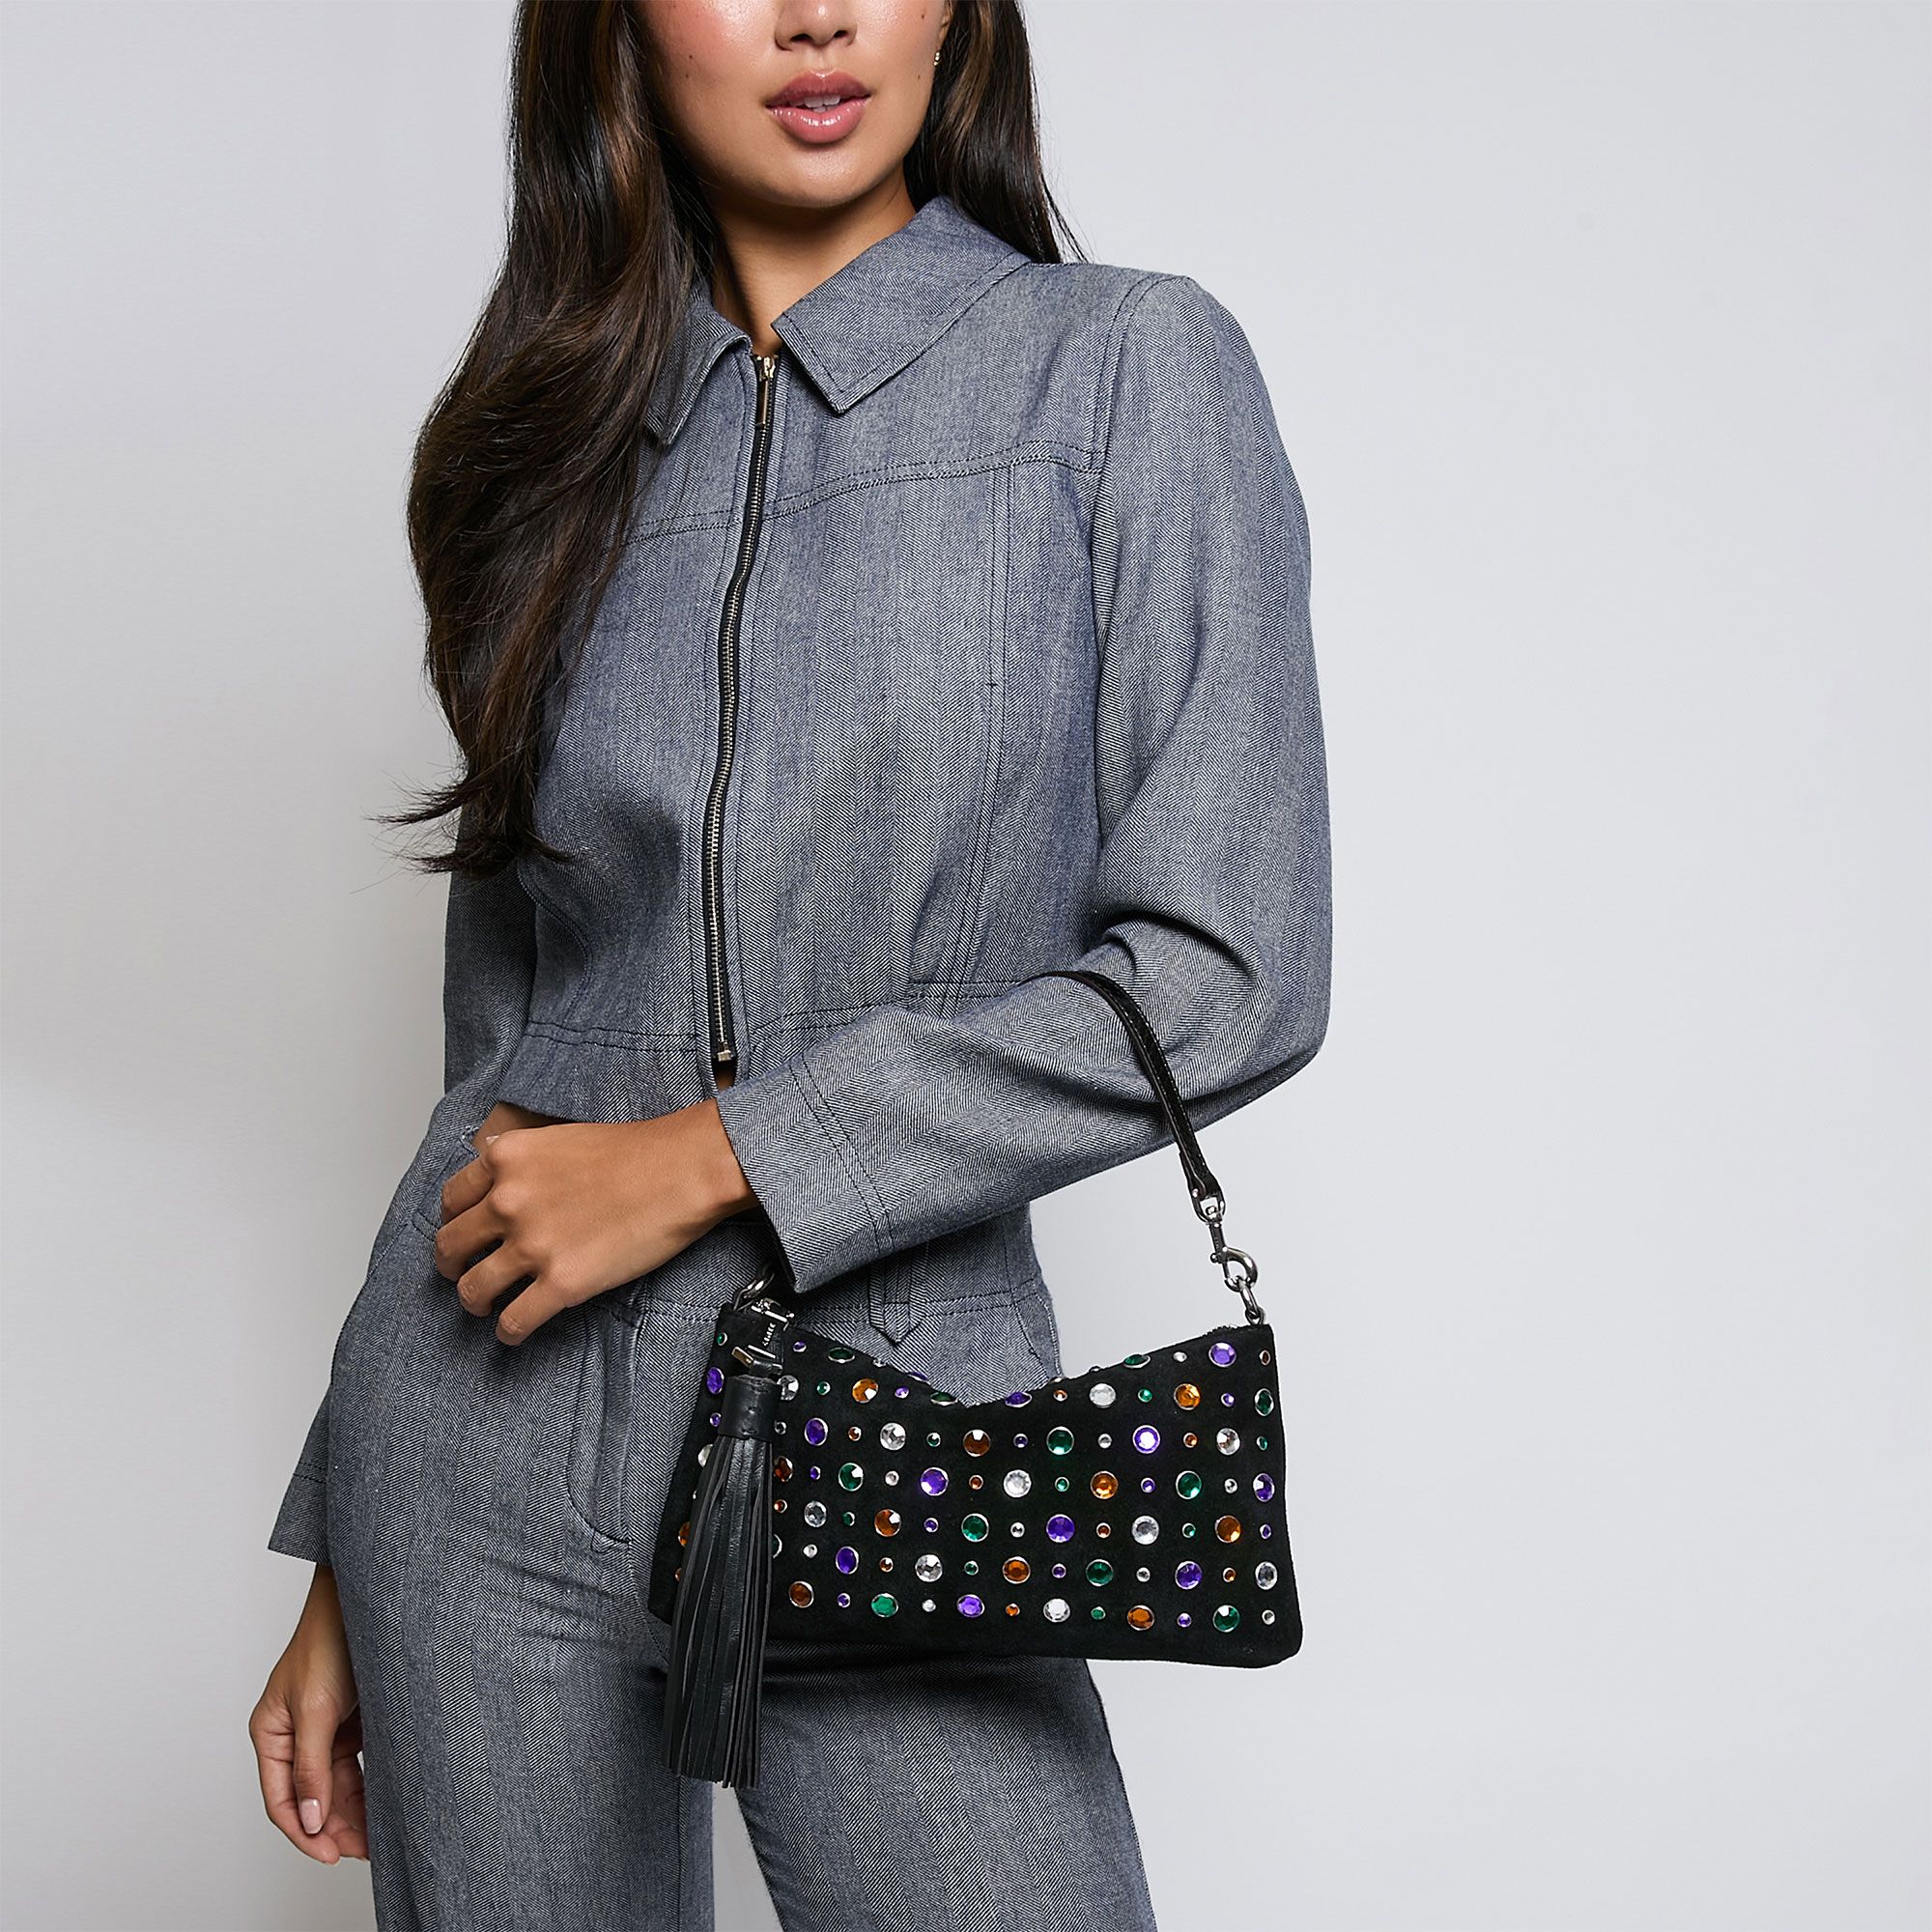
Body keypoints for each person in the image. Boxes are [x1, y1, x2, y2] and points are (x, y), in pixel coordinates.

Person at [249, 0, 1331, 1924]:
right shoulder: (542, 448)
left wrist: (714, 1157)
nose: (816, 15)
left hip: (904, 1426)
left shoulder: (1121, 372)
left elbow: (1227, 971)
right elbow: (490, 1058)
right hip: (477, 1459)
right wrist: (347, 1538)